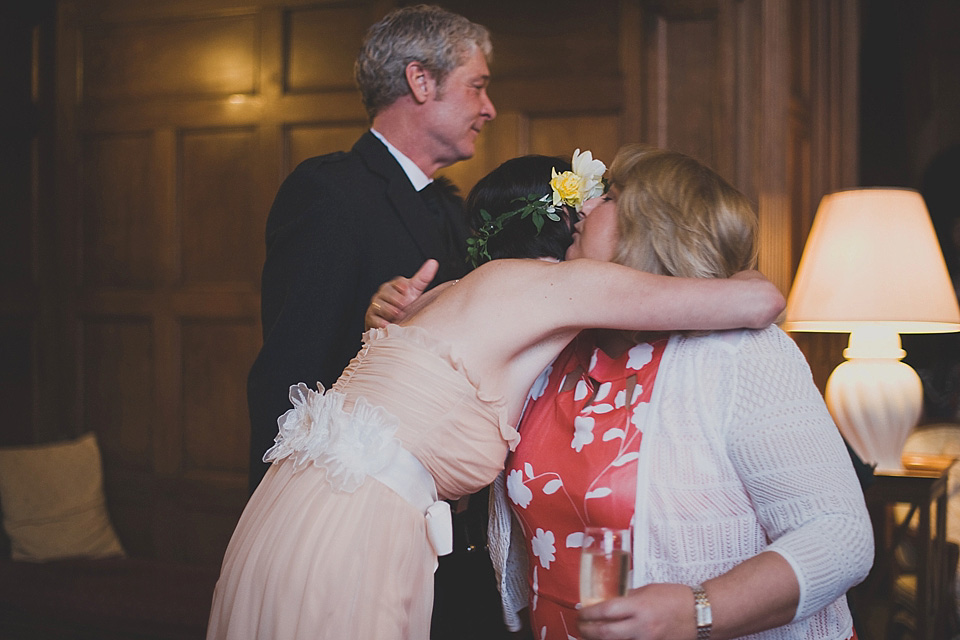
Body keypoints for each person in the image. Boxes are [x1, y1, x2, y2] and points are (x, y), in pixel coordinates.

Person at [206, 150, 786, 640]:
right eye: (595, 200)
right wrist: (750, 272)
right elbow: (758, 302)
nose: (592, 207)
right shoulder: (562, 284)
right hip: (353, 532)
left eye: (607, 199)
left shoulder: (453, 293)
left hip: (289, 516)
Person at [488, 144, 874, 640]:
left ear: (651, 230)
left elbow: (839, 536)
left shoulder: (740, 355)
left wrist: (699, 610)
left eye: (609, 198)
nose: (582, 208)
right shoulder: (553, 347)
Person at [243, 6, 501, 637]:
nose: (489, 107)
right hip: (349, 516)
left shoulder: (452, 207)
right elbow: (289, 368)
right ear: (420, 81)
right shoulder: (330, 191)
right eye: (478, 85)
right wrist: (296, 533)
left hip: (444, 524)